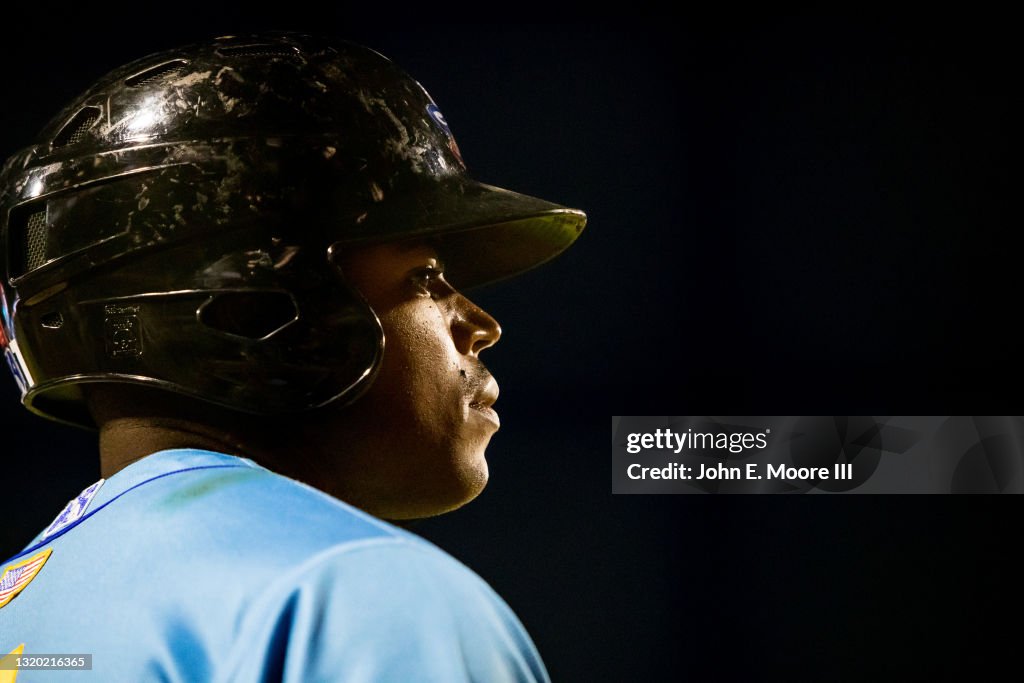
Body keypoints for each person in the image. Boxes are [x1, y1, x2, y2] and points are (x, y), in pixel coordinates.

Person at [0, 32, 585, 681]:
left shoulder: (20, 620)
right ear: (252, 306)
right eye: (425, 277)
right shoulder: (357, 594)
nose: (483, 325)